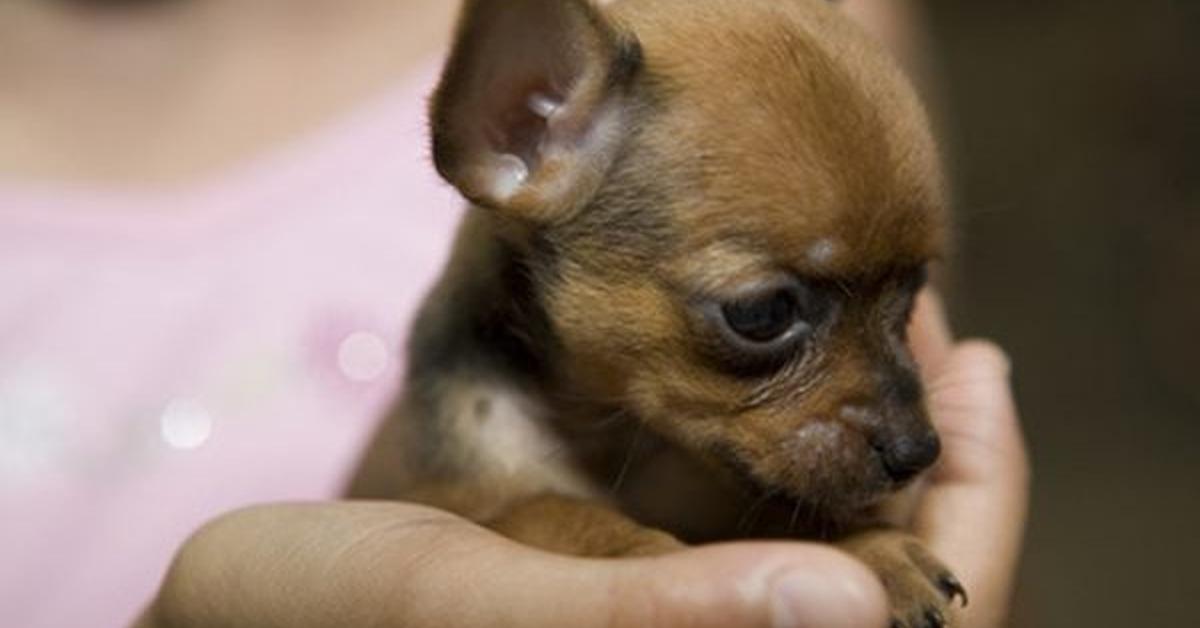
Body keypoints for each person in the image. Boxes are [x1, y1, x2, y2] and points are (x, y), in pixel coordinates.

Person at [0, 1, 1027, 627]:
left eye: (903, 301)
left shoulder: (802, 62)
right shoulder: (573, 100)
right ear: (518, 121)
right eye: (764, 317)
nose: (907, 429)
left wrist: (852, 555)